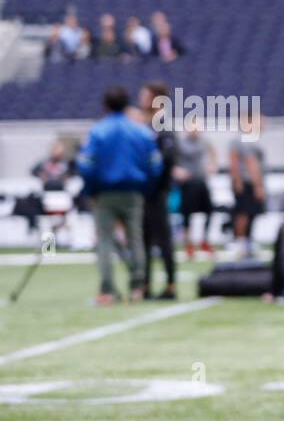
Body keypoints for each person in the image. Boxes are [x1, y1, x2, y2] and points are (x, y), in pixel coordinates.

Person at [76, 87, 161, 304]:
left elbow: (86, 165)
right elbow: (155, 164)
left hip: (104, 194)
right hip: (133, 193)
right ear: (127, 104)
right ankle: (137, 288)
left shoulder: (98, 131)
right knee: (135, 239)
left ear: (105, 105)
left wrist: (91, 189)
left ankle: (107, 291)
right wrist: (145, 187)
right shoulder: (141, 131)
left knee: (104, 240)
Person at [138, 81, 179, 300]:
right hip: (144, 192)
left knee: (163, 239)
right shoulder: (145, 125)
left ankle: (170, 286)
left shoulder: (161, 124)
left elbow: (169, 158)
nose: (141, 99)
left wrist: (157, 182)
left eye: (146, 96)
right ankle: (145, 285)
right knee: (144, 239)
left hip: (157, 193)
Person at [173, 118, 217, 258]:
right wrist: (177, 170)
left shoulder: (204, 141)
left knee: (209, 211)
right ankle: (189, 244)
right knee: (187, 214)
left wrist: (212, 165)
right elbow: (172, 160)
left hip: (201, 181)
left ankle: (204, 240)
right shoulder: (181, 143)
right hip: (188, 183)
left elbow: (213, 152)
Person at [229, 122, 265, 257]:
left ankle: (247, 242)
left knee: (251, 214)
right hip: (247, 182)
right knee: (243, 214)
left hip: (249, 182)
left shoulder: (251, 140)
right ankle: (240, 243)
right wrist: (257, 185)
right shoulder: (244, 141)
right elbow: (249, 163)